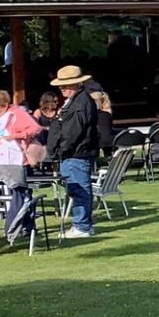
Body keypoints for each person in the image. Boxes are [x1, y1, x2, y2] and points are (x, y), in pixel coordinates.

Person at [47, 65, 102, 239]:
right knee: (77, 189)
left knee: (79, 190)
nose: (62, 89)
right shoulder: (78, 100)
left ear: (77, 84)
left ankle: (82, 226)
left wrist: (61, 150)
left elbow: (72, 132)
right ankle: (82, 225)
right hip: (76, 153)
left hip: (76, 154)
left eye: (66, 85)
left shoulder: (80, 103)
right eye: (61, 86)